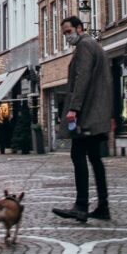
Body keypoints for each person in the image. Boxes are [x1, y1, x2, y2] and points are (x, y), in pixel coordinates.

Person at [52, 15, 112, 224]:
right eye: (64, 33)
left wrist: (74, 109)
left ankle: (81, 205)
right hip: (95, 113)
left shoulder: (85, 46)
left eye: (69, 31)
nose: (67, 36)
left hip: (87, 115)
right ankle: (103, 206)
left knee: (77, 155)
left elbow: (82, 78)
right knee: (95, 158)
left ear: (79, 28)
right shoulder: (93, 45)